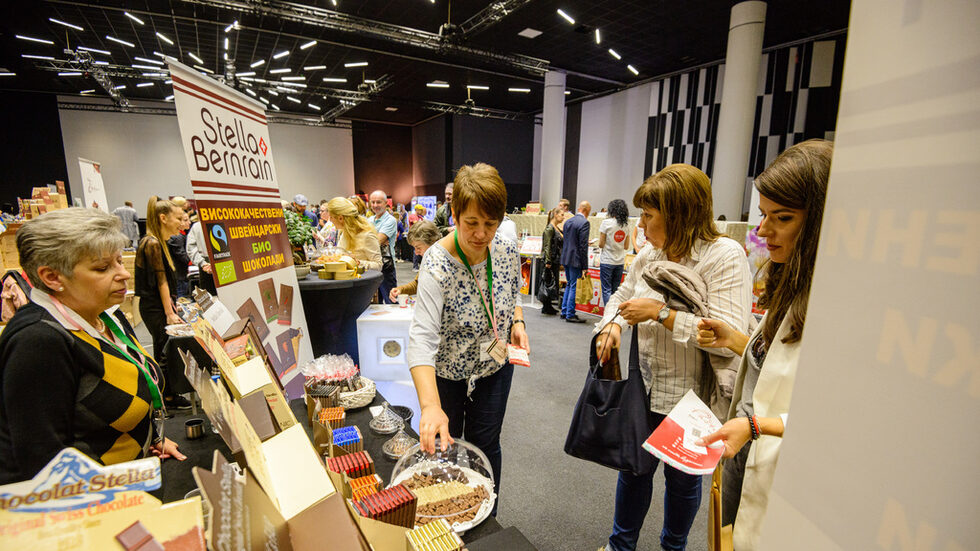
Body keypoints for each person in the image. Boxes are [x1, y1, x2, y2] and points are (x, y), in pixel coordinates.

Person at [594, 164, 753, 551]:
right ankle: (620, 546)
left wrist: (662, 315)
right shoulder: (650, 255)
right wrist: (612, 325)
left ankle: (673, 547)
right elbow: (621, 295)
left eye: (649, 216)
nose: (641, 227)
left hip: (693, 398)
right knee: (633, 470)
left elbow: (728, 339)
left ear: (679, 213)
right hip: (645, 386)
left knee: (683, 481)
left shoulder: (722, 257)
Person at [694, 140, 833, 549]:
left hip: (776, 462)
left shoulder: (839, 303)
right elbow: (777, 364)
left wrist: (757, 425)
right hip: (746, 446)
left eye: (782, 217)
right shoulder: (792, 278)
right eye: (763, 215)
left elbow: (839, 415)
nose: (762, 231)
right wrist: (737, 339)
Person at [0, 208, 185, 484]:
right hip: (93, 510)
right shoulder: (37, 341)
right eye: (103, 268)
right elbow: (46, 468)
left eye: (120, 261)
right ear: (52, 277)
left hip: (133, 479)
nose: (123, 274)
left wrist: (149, 438)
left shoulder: (105, 313)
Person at [407, 163, 528, 515]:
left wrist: (518, 320)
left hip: (495, 365)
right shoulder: (436, 265)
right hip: (448, 371)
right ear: (455, 215)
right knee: (447, 446)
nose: (481, 234)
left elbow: (513, 290)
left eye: (490, 224)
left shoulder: (505, 245)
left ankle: (485, 515)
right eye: (471, 223)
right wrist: (430, 406)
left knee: (487, 443)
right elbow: (422, 340)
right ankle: (448, 518)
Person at [136, 196, 191, 411]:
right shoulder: (152, 243)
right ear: (163, 218)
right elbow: (160, 282)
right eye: (178, 218)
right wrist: (169, 312)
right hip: (155, 309)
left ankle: (168, 394)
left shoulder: (158, 243)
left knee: (162, 348)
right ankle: (166, 396)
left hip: (159, 306)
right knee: (163, 351)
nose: (181, 222)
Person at [388, 220, 441, 302]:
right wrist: (401, 290)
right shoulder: (428, 259)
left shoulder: (445, 261)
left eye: (418, 248)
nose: (416, 252)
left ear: (432, 242)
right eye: (414, 248)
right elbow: (418, 283)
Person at [327, 197, 382, 271]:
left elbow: (378, 265)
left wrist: (358, 262)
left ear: (340, 218)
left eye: (331, 217)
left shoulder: (367, 236)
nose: (330, 220)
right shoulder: (343, 233)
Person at [560, 201, 591, 323]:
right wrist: (585, 265)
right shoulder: (584, 223)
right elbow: (583, 246)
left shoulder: (568, 221)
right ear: (587, 210)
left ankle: (564, 311)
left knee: (569, 284)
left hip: (566, 257)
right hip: (576, 259)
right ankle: (570, 314)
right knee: (573, 285)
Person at [367, 190, 399, 304]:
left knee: (391, 301)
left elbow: (377, 241)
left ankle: (395, 322)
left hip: (386, 266)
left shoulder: (390, 220)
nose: (375, 205)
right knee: (375, 303)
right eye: (373, 202)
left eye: (378, 202)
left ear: (386, 203)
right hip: (372, 265)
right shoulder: (369, 220)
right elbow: (371, 240)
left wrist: (370, 238)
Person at [598, 199, 631, 305]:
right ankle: (613, 315)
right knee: (615, 290)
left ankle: (607, 315)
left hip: (607, 260)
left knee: (606, 290)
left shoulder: (606, 223)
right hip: (620, 261)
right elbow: (626, 246)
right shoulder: (627, 224)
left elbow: (600, 244)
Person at [539, 208, 566, 316]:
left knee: (551, 282)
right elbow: (547, 246)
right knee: (548, 282)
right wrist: (548, 261)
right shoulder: (550, 228)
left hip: (555, 259)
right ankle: (546, 306)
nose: (563, 217)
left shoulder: (556, 228)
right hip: (550, 260)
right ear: (555, 214)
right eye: (562, 215)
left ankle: (548, 306)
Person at [185, 219, 216, 295]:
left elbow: (191, 248)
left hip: (225, 266)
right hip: (206, 267)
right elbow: (191, 248)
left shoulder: (197, 226)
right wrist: (203, 263)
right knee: (209, 300)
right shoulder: (197, 226)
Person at [167, 209, 192, 298]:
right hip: (179, 276)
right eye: (185, 220)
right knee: (181, 300)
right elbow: (183, 256)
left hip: (181, 274)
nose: (189, 222)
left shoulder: (181, 235)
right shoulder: (176, 237)